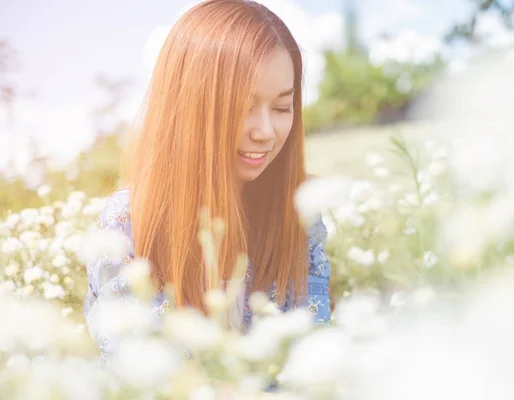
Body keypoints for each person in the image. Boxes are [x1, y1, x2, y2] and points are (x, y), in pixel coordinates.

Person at [83, 0, 331, 362]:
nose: (265, 131)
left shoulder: (300, 215)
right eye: (243, 107)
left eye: (281, 108)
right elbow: (140, 375)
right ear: (189, 106)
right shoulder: (127, 224)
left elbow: (315, 357)